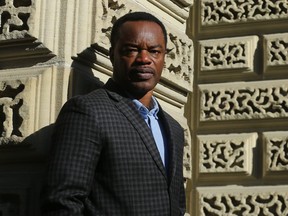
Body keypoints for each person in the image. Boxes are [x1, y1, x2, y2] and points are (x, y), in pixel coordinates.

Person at [41, 11, 186, 216]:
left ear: (163, 57)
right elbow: (62, 202)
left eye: (154, 51)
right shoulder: (88, 111)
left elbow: (177, 205)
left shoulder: (174, 129)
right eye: (131, 50)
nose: (144, 59)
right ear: (112, 55)